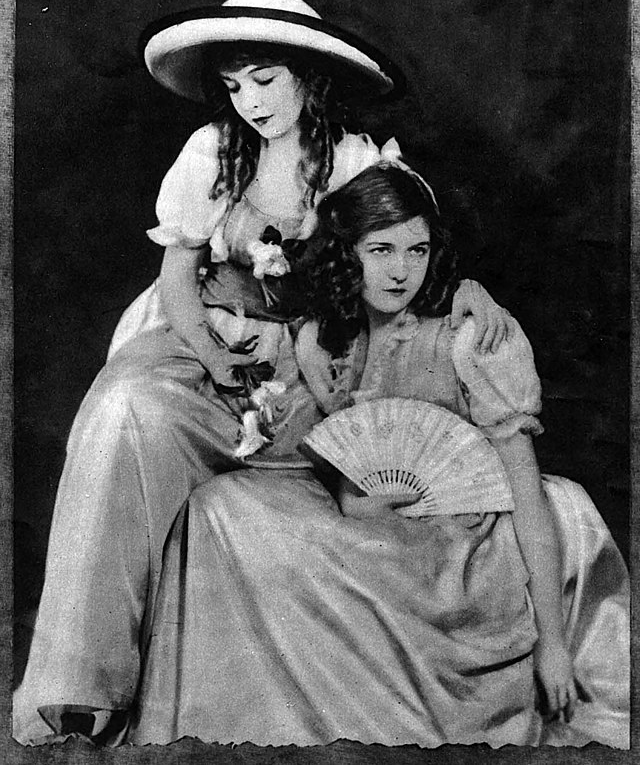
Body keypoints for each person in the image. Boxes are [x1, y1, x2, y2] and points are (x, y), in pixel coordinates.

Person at [13, 0, 512, 746]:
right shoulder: (211, 152)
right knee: (126, 411)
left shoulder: (353, 161)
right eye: (235, 85)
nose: (251, 102)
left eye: (266, 79)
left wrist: (465, 288)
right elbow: (180, 280)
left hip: (312, 358)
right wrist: (214, 356)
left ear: (308, 75)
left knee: (293, 483)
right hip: (204, 336)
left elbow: (405, 248)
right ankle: (79, 683)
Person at [128, 163, 629, 748]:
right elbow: (346, 463)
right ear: (349, 255)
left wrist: (553, 643)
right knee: (218, 507)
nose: (400, 271)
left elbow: (525, 490)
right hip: (372, 527)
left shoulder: (472, 339)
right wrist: (357, 500)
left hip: (464, 546)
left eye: (417, 250)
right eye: (381, 250)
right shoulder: (324, 339)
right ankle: (237, 727)